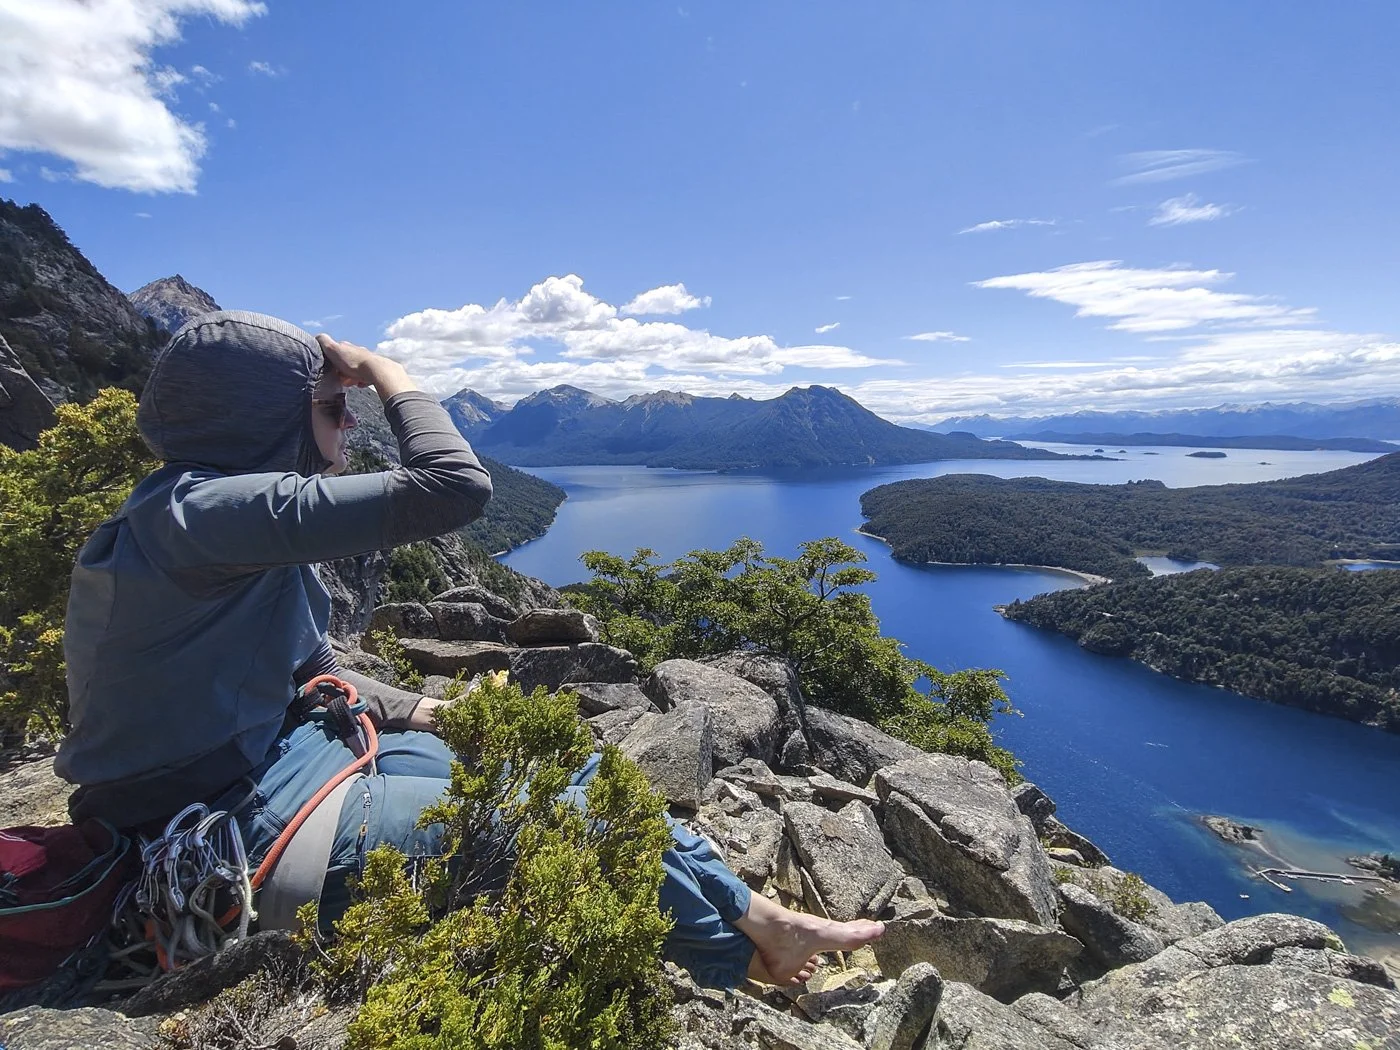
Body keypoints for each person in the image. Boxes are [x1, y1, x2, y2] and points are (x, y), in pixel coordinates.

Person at [54, 311, 882, 987]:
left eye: (352, 407)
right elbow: (456, 486)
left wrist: (424, 709)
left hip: (283, 765)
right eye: (334, 409)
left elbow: (305, 670)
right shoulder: (201, 510)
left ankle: (760, 914)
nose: (349, 426)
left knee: (561, 764)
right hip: (213, 827)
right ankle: (737, 961)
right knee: (538, 826)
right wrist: (388, 373)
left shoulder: (216, 520)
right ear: (263, 422)